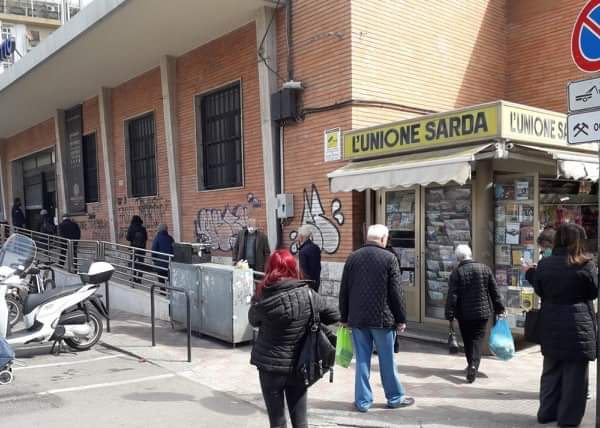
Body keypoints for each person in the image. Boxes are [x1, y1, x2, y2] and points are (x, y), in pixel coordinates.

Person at [249, 249, 339, 428]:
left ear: (270, 268)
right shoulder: (308, 294)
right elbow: (334, 315)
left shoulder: (262, 295)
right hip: (301, 365)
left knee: (277, 422)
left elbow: (253, 320)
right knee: (300, 422)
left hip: (270, 367)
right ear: (293, 268)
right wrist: (311, 317)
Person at [524, 223, 597, 427]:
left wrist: (529, 273)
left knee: (551, 369)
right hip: (578, 324)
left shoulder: (545, 264)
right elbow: (593, 292)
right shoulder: (585, 264)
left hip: (551, 321)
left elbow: (540, 288)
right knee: (575, 375)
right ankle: (568, 419)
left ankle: (547, 412)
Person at [339, 224, 414, 412]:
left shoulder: (352, 258)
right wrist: (401, 318)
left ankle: (363, 401)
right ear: (383, 239)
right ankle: (395, 398)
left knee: (362, 361)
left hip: (357, 319)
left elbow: (344, 291)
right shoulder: (389, 258)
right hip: (383, 319)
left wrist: (344, 317)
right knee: (387, 360)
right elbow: (396, 292)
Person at [445, 245, 505, 383]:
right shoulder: (484, 268)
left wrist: (449, 313)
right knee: (477, 339)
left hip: (464, 314)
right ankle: (474, 365)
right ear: (470, 254)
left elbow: (452, 296)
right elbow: (494, 291)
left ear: (457, 258)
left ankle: (470, 363)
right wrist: (500, 308)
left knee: (467, 339)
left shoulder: (457, 272)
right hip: (482, 313)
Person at [297, 225, 321, 292]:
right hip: (316, 280)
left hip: (307, 284)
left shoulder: (303, 251)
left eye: (298, 236)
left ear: (301, 237)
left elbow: (303, 271)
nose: (297, 238)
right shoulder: (316, 248)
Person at [126, 215, 148, 284]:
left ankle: (133, 278)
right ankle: (139, 279)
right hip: (141, 249)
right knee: (141, 264)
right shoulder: (143, 228)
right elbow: (146, 238)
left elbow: (128, 238)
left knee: (133, 263)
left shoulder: (131, 227)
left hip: (134, 248)